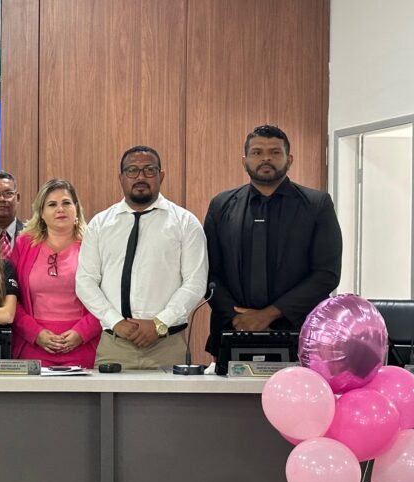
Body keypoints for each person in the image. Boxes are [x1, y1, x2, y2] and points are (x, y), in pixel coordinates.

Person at [205, 125, 342, 356]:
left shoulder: (317, 205)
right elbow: (208, 270)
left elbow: (326, 274)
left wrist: (268, 315)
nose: (266, 158)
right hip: (232, 331)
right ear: (244, 160)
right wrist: (239, 317)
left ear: (289, 160)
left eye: (275, 152)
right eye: (257, 152)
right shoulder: (221, 205)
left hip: (298, 333)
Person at [76, 146, 208, 369]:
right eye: (132, 171)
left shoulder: (185, 223)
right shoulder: (100, 224)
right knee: (108, 405)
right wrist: (115, 322)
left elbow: (195, 283)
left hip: (167, 345)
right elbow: (85, 281)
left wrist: (159, 323)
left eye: (149, 170)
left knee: (170, 405)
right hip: (114, 343)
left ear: (161, 176)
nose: (140, 177)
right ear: (121, 177)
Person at [9, 179, 100, 367]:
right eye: (52, 204)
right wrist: (35, 333)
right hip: (33, 345)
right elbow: (9, 298)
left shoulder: (94, 244)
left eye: (66, 203)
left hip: (83, 345)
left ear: (76, 209)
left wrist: (81, 332)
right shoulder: (23, 244)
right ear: (41, 213)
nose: (60, 209)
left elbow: (108, 297)